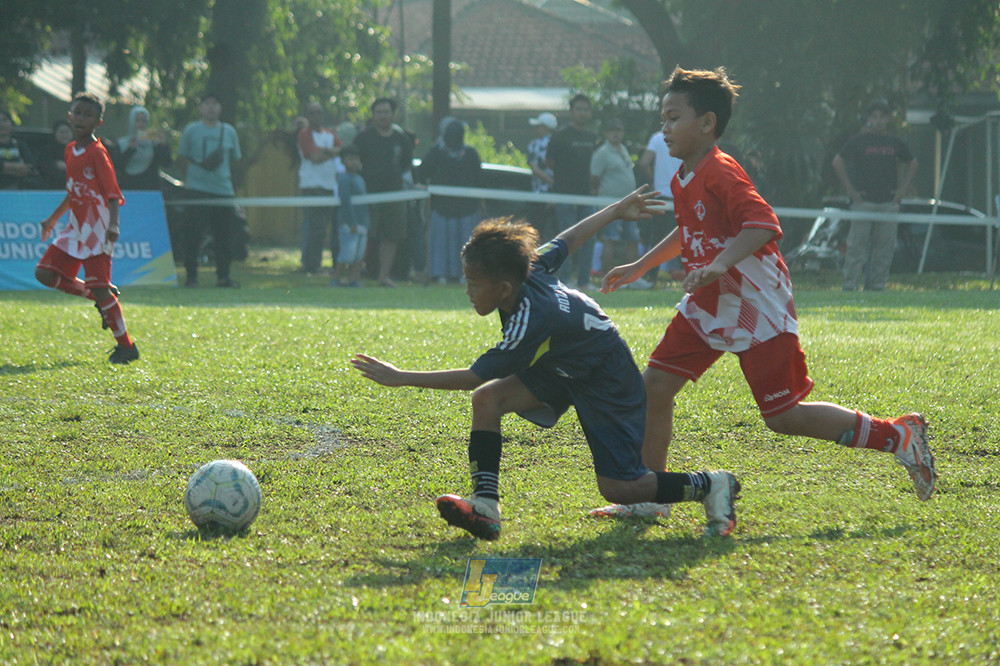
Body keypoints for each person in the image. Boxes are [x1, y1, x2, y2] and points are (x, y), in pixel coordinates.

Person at [594, 67, 937, 520]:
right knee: (654, 387)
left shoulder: (721, 170)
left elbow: (763, 224)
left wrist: (718, 263)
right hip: (708, 304)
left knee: (784, 417)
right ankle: (648, 498)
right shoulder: (682, 177)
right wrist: (641, 265)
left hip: (755, 305)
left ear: (707, 123)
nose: (664, 127)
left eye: (673, 117)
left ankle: (899, 437)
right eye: (663, 117)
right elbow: (689, 230)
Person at [352, 186, 742, 540]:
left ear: (503, 288)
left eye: (473, 282)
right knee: (489, 400)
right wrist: (615, 210)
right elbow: (569, 240)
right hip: (565, 363)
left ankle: (710, 484)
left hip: (605, 376)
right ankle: (486, 505)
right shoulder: (529, 267)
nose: (467, 291)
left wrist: (401, 377)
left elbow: (473, 375)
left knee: (620, 487)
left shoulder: (530, 318)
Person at [35, 93, 139, 365]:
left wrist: (113, 224)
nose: (80, 118)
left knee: (102, 288)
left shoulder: (98, 152)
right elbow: (73, 192)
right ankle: (95, 295)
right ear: (69, 116)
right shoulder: (70, 149)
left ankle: (127, 347)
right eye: (77, 112)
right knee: (44, 273)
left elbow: (113, 192)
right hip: (76, 226)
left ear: (98, 122)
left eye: (87, 115)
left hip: (98, 228)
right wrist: (52, 219)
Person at [832, 100, 918, 292]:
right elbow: (837, 161)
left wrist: (902, 190)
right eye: (874, 117)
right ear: (869, 120)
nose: (878, 121)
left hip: (888, 203)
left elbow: (913, 163)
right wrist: (851, 191)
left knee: (884, 249)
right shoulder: (859, 141)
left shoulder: (895, 142)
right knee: (856, 248)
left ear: (887, 120)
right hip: (864, 203)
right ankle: (850, 286)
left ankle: (877, 286)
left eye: (881, 117)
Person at [176, 92, 243, 288]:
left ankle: (223, 277)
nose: (211, 108)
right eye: (207, 104)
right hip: (196, 190)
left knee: (224, 236)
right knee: (193, 235)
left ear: (220, 108)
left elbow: (235, 160)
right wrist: (191, 180)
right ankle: (191, 277)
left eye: (215, 104)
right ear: (201, 108)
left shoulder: (229, 131)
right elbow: (182, 158)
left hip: (223, 191)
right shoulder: (191, 130)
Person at [353, 98, 414, 288]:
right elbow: (354, 161)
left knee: (391, 235)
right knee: (363, 234)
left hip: (394, 195)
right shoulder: (363, 137)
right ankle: (354, 276)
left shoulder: (401, 138)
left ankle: (383, 276)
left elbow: (406, 163)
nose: (382, 116)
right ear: (373, 114)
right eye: (378, 112)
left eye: (386, 112)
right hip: (367, 194)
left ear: (393, 114)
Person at [417, 118, 483, 283]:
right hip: (441, 207)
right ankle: (440, 275)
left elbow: (479, 180)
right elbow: (422, 173)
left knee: (466, 243)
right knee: (441, 242)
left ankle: (464, 274)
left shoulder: (470, 154)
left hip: (467, 208)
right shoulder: (436, 153)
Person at [590, 117, 650, 288]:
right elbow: (594, 177)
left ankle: (633, 278)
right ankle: (612, 279)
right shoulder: (602, 152)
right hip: (611, 204)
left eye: (619, 130)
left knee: (633, 239)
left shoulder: (623, 149)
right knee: (610, 240)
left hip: (629, 203)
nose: (617, 134)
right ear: (607, 133)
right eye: (613, 130)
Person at [546, 94, 598, 290]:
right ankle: (564, 281)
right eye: (579, 109)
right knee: (566, 239)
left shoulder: (593, 137)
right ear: (571, 111)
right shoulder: (560, 136)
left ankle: (584, 281)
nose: (583, 113)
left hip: (586, 195)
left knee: (589, 238)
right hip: (564, 194)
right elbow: (550, 162)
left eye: (586, 109)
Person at [296, 101, 344, 275]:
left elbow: (343, 150)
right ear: (307, 116)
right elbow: (314, 157)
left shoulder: (330, 134)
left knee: (324, 228)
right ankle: (311, 265)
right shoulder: (304, 134)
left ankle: (317, 263)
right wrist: (330, 152)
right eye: (312, 113)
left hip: (328, 186)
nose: (316, 116)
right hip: (311, 186)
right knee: (315, 228)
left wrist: (326, 151)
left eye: (319, 112)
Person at [637, 125, 685, 283]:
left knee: (657, 239)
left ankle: (651, 277)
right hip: (682, 195)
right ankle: (687, 275)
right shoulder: (686, 137)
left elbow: (644, 163)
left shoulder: (657, 138)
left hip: (661, 197)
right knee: (685, 238)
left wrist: (653, 180)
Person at [332, 144, 368, 287]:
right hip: (349, 224)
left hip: (362, 222)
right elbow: (345, 202)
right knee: (347, 253)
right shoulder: (344, 180)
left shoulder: (360, 179)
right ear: (342, 161)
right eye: (350, 159)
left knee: (359, 255)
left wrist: (365, 223)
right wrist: (351, 222)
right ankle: (336, 278)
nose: (354, 163)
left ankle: (354, 279)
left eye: (356, 159)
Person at [116, 106, 171, 191]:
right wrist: (130, 149)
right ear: (131, 122)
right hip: (128, 190)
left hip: (150, 190)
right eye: (137, 121)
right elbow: (118, 166)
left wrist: (163, 146)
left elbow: (166, 163)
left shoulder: (154, 143)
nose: (140, 124)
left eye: (144, 121)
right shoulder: (122, 144)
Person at [525, 112, 557, 239]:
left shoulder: (534, 144)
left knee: (536, 233)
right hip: (558, 195)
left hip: (538, 195)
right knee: (557, 234)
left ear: (545, 127)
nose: (535, 129)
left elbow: (535, 169)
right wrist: (556, 184)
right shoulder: (560, 143)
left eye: (538, 126)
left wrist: (549, 181)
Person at [0, 110, 39, 189]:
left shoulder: (20, 145)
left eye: (4, 120)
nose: (1, 124)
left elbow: (30, 166)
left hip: (19, 187)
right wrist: (17, 167)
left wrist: (4, 168)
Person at [38, 119, 75, 190]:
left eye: (66, 132)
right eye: (61, 132)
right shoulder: (47, 150)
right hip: (55, 186)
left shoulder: (80, 148)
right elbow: (46, 168)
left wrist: (67, 166)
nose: (64, 135)